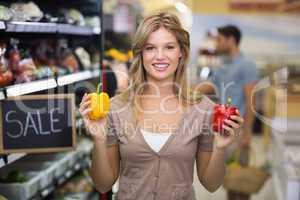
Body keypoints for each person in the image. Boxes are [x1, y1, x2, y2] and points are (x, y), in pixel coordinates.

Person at [79, 12, 244, 200]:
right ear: (140, 53)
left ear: (181, 52)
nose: (159, 56)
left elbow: (211, 184)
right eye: (150, 48)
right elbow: (103, 184)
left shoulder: (202, 108)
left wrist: (220, 148)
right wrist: (99, 140)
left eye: (169, 47)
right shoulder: (117, 108)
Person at [211, 25, 259, 200]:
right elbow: (212, 92)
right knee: (230, 178)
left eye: (220, 39)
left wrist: (246, 134)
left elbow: (251, 101)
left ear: (231, 40)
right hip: (221, 129)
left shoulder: (247, 65)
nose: (217, 43)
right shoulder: (223, 65)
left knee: (241, 181)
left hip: (238, 130)